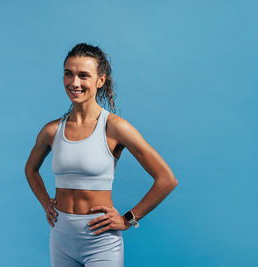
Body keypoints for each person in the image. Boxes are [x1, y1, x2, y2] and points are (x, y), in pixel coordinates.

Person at [24, 43, 178, 267]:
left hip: (100, 240)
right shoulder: (51, 131)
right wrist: (46, 203)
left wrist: (129, 219)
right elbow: (30, 170)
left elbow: (166, 179)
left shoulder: (115, 127)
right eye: (69, 74)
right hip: (60, 236)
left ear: (100, 80)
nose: (74, 83)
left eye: (83, 75)